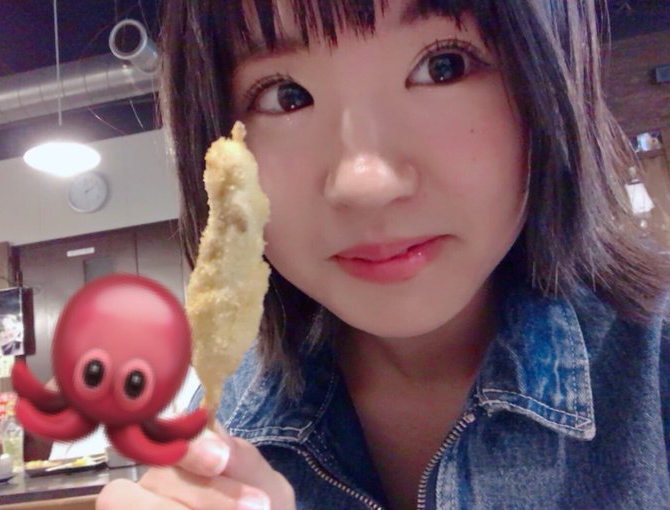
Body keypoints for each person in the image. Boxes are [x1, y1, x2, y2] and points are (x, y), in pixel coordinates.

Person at [97, 0, 670, 508]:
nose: (365, 182)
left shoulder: (653, 371)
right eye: (286, 96)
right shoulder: (228, 428)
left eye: (444, 66)